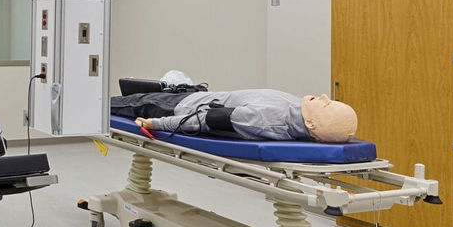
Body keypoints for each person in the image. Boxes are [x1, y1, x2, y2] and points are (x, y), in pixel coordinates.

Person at [111, 83, 358, 144]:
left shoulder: (267, 120)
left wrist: (156, 123)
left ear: (312, 125)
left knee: (117, 103)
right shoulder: (296, 109)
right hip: (194, 95)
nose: (325, 98)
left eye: (327, 106)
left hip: (177, 106)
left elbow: (202, 120)